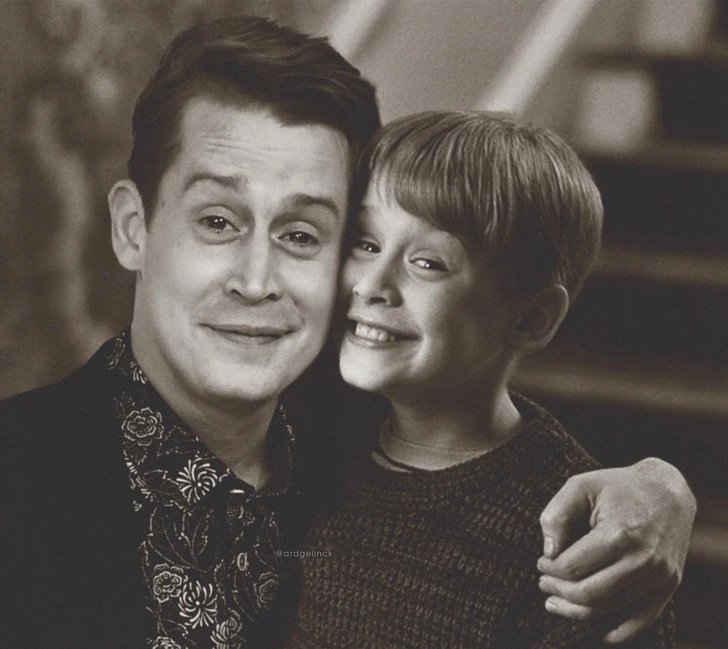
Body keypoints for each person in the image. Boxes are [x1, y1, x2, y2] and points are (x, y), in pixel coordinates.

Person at [0, 16, 694, 649]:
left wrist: (660, 485)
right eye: (217, 221)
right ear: (133, 229)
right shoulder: (24, 477)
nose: (256, 280)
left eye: (303, 234)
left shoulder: (355, 435)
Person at [285, 111, 675, 648]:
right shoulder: (303, 428)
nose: (372, 284)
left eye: (428, 263)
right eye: (366, 243)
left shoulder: (572, 543)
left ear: (531, 318)